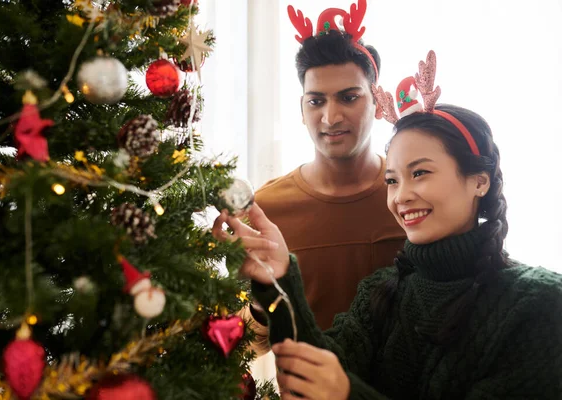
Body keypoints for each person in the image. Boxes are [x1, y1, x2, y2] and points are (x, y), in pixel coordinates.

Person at [215, 51, 562, 399]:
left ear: (479, 181)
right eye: (393, 181)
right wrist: (278, 278)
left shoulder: (539, 304)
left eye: (421, 173)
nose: (401, 196)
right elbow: (319, 367)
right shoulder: (383, 292)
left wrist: (349, 394)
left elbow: (338, 386)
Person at [240, 1, 405, 354]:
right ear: (301, 110)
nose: (331, 117)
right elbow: (246, 346)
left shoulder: (413, 196)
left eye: (349, 97)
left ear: (377, 102)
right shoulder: (266, 211)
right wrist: (261, 302)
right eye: (316, 101)